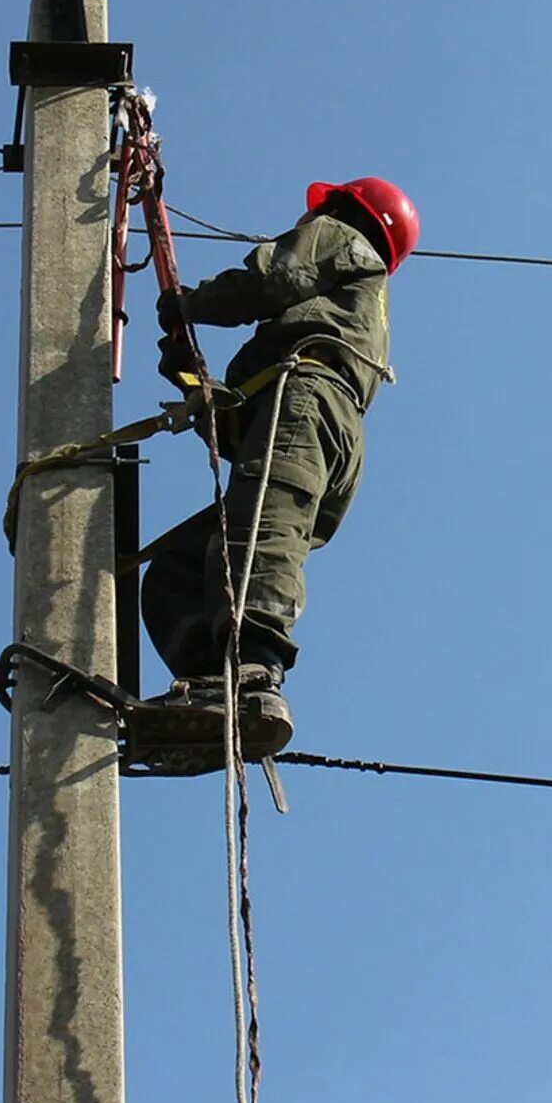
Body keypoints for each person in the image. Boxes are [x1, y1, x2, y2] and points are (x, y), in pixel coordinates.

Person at [140, 176, 419, 754]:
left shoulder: (341, 236)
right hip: (324, 427)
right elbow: (240, 438)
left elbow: (274, 279)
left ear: (348, 210)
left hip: (310, 401)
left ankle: (254, 673)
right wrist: (191, 378)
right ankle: (207, 684)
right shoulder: (345, 317)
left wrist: (192, 302)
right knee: (181, 565)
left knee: (261, 531)